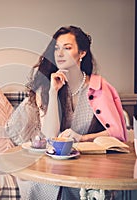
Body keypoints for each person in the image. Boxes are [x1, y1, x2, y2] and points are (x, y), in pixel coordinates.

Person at [22, 25, 129, 199]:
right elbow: (51, 135)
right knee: (44, 185)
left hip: (88, 165)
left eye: (67, 48)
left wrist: (81, 137)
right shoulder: (46, 88)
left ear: (82, 53)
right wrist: (53, 92)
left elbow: (118, 134)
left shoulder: (99, 87)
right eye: (56, 48)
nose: (60, 53)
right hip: (55, 164)